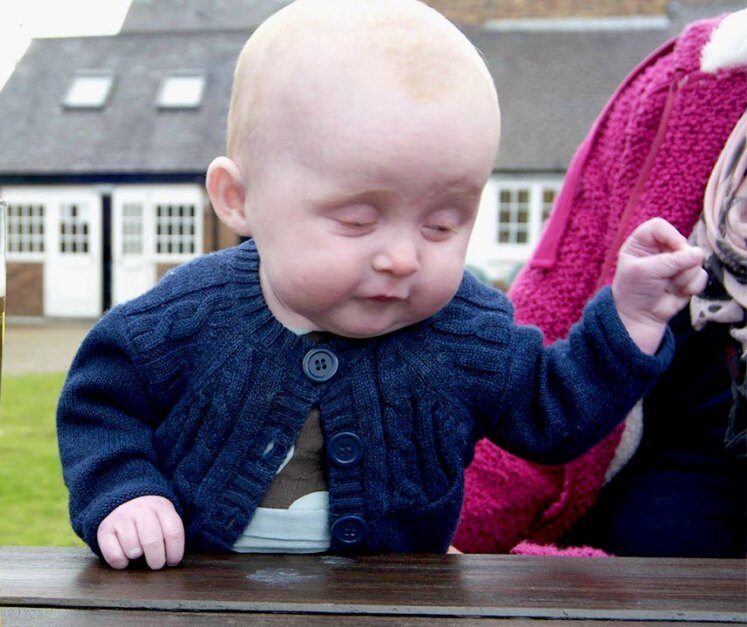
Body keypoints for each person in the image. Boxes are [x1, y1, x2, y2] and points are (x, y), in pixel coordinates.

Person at [56, 0, 708, 570]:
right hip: (195, 600)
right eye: (357, 220)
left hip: (393, 603)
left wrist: (629, 320)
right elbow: (101, 402)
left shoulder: (465, 331)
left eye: (441, 224)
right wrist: (124, 491)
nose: (401, 257)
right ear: (238, 198)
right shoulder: (189, 314)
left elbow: (553, 411)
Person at [454, 10, 747, 558]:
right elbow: (541, 399)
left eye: (441, 224)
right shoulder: (690, 84)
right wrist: (626, 322)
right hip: (653, 563)